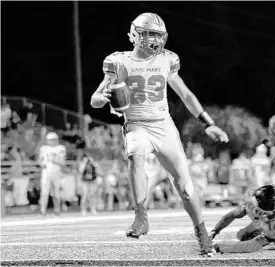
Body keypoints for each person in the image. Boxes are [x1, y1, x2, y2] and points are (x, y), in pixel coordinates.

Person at [91, 12, 229, 256]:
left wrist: (208, 124)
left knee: (185, 187)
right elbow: (95, 99)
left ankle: (202, 233)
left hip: (163, 125)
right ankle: (141, 215)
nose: (153, 40)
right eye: (147, 34)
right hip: (136, 123)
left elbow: (185, 95)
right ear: (133, 35)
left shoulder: (167, 59)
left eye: (157, 35)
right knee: (135, 155)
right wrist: (104, 97)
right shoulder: (119, 61)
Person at [210, 185, 275, 253]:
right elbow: (231, 215)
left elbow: (251, 246)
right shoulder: (253, 199)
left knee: (246, 237)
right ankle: (261, 226)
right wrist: (215, 230)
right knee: (242, 234)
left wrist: (220, 247)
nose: (255, 204)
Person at [38, 132, 66, 216]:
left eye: (54, 140)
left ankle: (57, 210)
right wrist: (42, 164)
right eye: (51, 140)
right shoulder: (43, 148)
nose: (52, 141)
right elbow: (39, 160)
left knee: (56, 192)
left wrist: (53, 160)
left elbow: (62, 162)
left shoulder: (60, 148)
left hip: (56, 172)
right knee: (44, 192)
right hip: (46, 172)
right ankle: (43, 210)